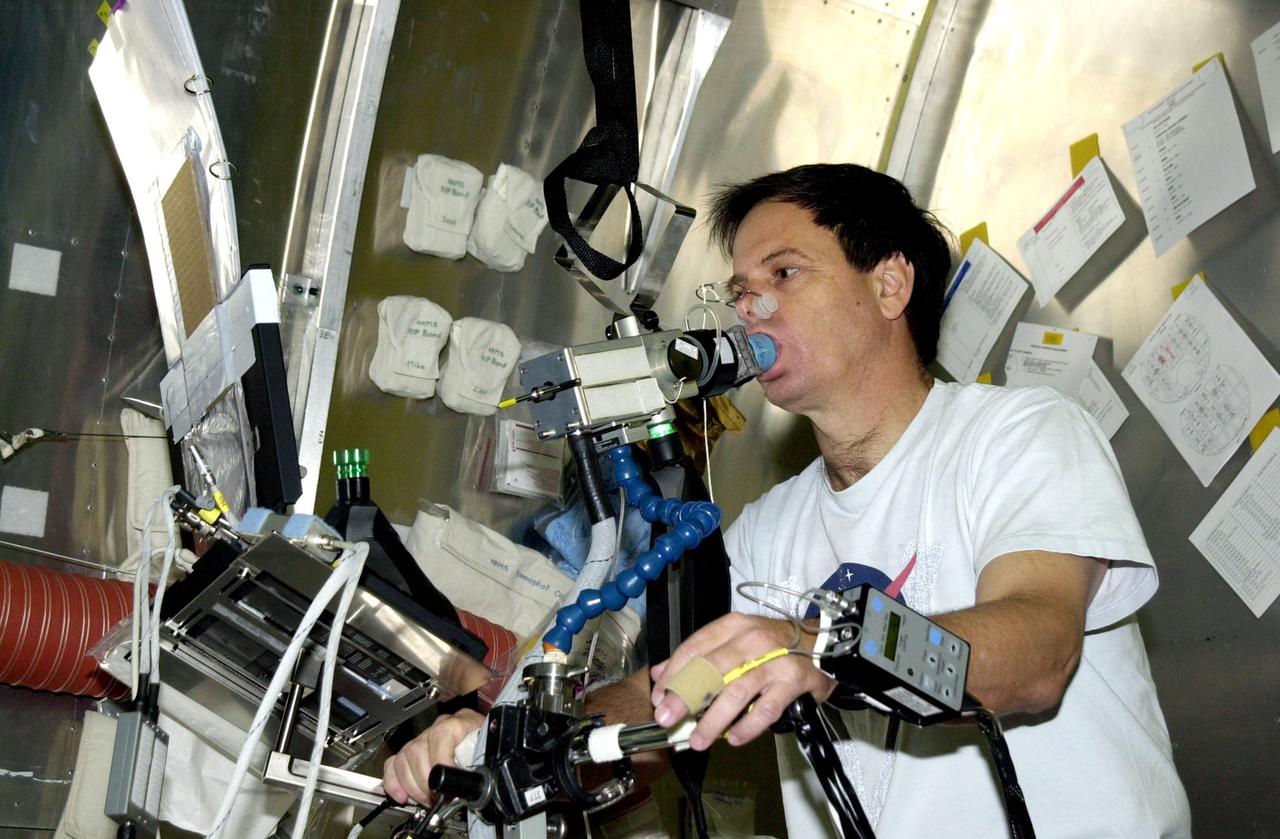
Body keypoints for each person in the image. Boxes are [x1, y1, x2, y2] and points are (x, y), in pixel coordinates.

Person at [385, 163, 1192, 838]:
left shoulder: (1020, 435)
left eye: (784, 273)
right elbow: (677, 693)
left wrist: (815, 646)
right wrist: (512, 743)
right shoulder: (772, 530)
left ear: (890, 284)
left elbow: (1038, 654)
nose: (749, 308)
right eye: (740, 288)